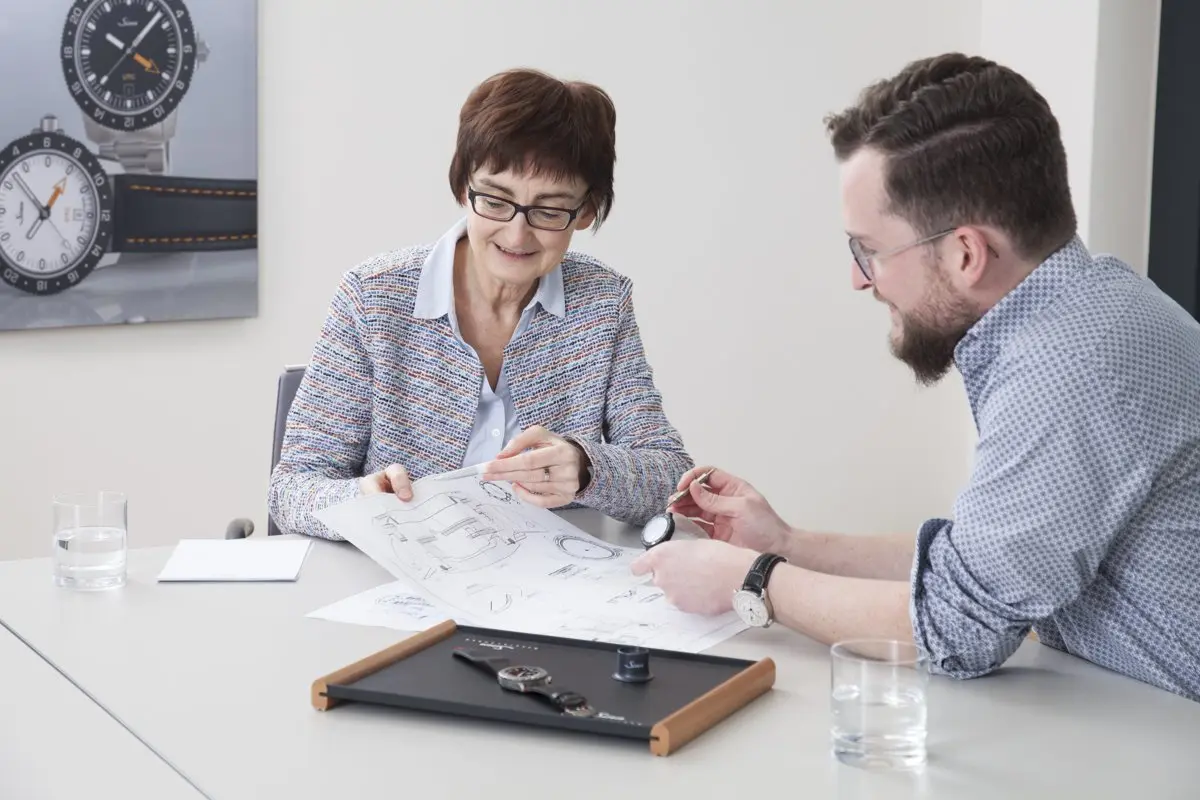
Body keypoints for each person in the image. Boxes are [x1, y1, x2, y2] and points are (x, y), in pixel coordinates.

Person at [632, 52, 1200, 702]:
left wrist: (750, 581)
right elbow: (980, 566)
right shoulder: (1094, 310)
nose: (857, 279)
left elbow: (957, 629)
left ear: (965, 254)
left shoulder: (1069, 366)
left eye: (869, 250)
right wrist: (788, 544)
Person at [268, 68, 692, 540]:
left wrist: (587, 468)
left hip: (550, 594)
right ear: (462, 187)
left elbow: (670, 480)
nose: (516, 234)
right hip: (400, 589)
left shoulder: (603, 303)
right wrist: (361, 500)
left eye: (550, 211)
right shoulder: (374, 297)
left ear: (587, 211)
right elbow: (292, 490)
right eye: (495, 200)